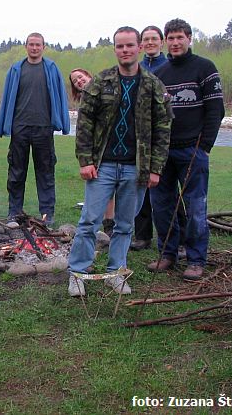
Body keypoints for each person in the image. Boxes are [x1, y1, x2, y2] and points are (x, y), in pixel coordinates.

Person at [67, 26, 172, 297]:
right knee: (89, 222)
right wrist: (85, 161)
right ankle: (77, 273)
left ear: (139, 47)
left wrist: (155, 168)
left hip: (135, 167)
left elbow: (162, 129)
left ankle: (116, 273)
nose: (125, 50)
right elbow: (85, 124)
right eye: (120, 46)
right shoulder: (101, 82)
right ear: (115, 49)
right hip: (102, 165)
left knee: (125, 225)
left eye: (129, 45)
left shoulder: (153, 85)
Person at [148, 18, 225, 280]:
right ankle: (167, 254)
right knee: (162, 206)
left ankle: (196, 259)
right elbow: (151, 114)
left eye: (180, 37)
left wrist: (205, 147)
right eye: (170, 38)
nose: (175, 42)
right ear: (165, 42)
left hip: (193, 150)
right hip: (162, 152)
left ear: (189, 38)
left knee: (195, 207)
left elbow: (216, 110)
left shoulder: (205, 68)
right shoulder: (160, 74)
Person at [0, 33, 70, 225]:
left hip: (44, 128)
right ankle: (14, 212)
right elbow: (7, 98)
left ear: (44, 47)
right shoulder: (16, 69)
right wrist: (4, 124)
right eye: (31, 44)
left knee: (46, 173)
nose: (34, 48)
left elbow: (60, 96)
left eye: (38, 45)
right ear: (26, 46)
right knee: (16, 173)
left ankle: (47, 214)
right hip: (20, 128)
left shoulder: (51, 69)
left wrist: (62, 122)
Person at [130, 26, 168, 251]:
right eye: (146, 39)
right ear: (141, 44)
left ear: (161, 42)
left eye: (155, 38)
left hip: (162, 135)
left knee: (165, 191)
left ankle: (172, 238)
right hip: (139, 138)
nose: (151, 42)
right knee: (140, 189)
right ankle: (142, 236)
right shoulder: (137, 68)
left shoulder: (169, 67)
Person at [70, 68, 115, 236]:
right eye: (75, 81)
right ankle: (101, 224)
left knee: (113, 188)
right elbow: (83, 131)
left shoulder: (107, 91)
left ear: (88, 75)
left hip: (111, 148)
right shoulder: (84, 101)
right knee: (99, 188)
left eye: (80, 77)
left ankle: (111, 224)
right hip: (94, 152)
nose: (79, 81)